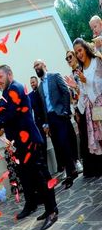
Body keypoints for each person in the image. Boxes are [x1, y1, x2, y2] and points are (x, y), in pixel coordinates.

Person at [0, 65, 58, 230]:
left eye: (0, 77)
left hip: (30, 142)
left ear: (9, 74)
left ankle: (52, 211)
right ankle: (37, 206)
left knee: (42, 177)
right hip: (19, 144)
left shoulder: (16, 87)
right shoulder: (7, 92)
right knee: (30, 178)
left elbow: (10, 114)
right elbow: (0, 109)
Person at [33, 59, 79, 188]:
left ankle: (72, 171)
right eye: (34, 66)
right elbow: (43, 107)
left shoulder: (55, 76)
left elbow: (65, 91)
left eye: (38, 65)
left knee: (64, 142)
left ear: (44, 65)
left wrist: (65, 110)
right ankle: (70, 171)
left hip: (60, 114)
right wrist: (46, 124)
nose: (36, 67)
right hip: (50, 119)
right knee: (58, 146)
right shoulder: (40, 87)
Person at [73, 38, 102, 175]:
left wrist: (87, 81)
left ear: (85, 48)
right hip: (93, 110)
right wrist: (77, 86)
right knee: (100, 138)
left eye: (80, 50)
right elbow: (84, 94)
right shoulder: (81, 70)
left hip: (101, 103)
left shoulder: (97, 61)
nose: (78, 54)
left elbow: (100, 83)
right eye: (76, 52)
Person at [28, 76, 48, 158]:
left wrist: (47, 122)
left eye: (33, 82)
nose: (32, 84)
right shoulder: (29, 96)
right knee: (42, 146)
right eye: (31, 83)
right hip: (38, 123)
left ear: (37, 82)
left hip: (47, 119)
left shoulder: (42, 91)